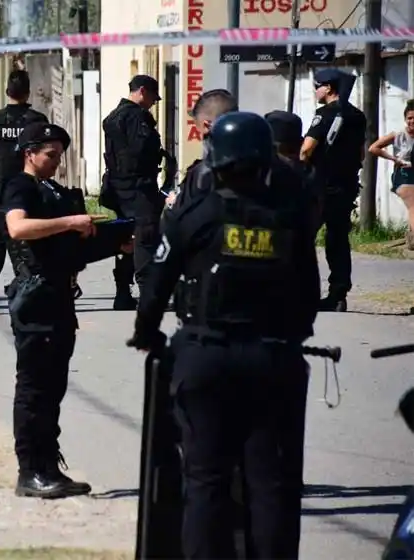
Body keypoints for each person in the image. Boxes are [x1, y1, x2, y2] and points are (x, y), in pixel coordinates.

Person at [128, 111, 320, 558]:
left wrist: (145, 331)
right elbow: (308, 293)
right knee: (270, 483)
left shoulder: (198, 214)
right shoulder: (288, 218)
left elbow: (156, 278)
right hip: (272, 359)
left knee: (205, 481)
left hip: (206, 355)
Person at [3, 122, 134, 499]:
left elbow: (68, 247)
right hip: (36, 295)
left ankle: (48, 467)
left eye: (60, 154)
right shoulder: (20, 186)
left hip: (58, 294)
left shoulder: (55, 190)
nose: (56, 161)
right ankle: (30, 471)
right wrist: (70, 222)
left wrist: (113, 241)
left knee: (53, 387)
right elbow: (18, 228)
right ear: (29, 152)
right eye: (50, 154)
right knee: (34, 388)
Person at [0, 70, 49, 315]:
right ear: (28, 92)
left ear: (7, 92)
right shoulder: (38, 120)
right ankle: (31, 297)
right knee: (30, 247)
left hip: (1, 190)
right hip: (29, 190)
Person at [300, 67, 367, 313]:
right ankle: (338, 294)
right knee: (338, 239)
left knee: (302, 238)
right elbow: (360, 153)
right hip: (347, 185)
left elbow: (306, 150)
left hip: (320, 186)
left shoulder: (324, 114)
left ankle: (300, 292)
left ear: (329, 88)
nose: (316, 90)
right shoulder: (357, 116)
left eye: (317, 86)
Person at [101, 74, 166, 310]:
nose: (153, 103)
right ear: (142, 91)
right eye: (152, 97)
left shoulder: (113, 116)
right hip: (138, 188)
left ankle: (122, 293)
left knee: (124, 240)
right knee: (145, 239)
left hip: (116, 187)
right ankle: (148, 294)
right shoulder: (137, 117)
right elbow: (141, 151)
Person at [168, 89, 239, 211]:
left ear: (206, 126)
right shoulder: (266, 163)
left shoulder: (202, 173)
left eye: (198, 128)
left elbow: (182, 223)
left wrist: (175, 204)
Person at [368, 99, 414, 248]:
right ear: (405, 119)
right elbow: (373, 148)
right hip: (403, 174)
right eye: (409, 118)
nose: (412, 121)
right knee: (413, 205)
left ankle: (411, 238)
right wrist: (394, 159)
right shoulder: (399, 134)